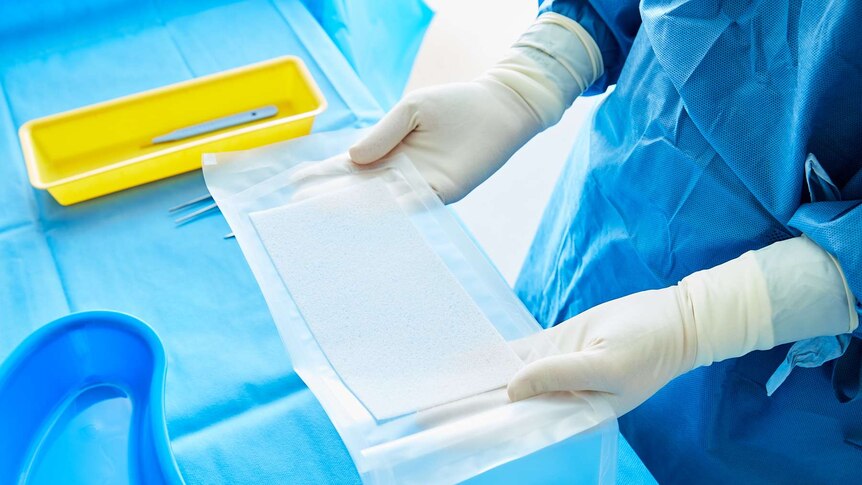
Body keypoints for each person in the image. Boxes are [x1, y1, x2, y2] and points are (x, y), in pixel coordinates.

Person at [349, 1, 862, 483]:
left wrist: (716, 317)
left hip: (794, 387)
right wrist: (539, 70)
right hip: (633, 169)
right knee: (531, 399)